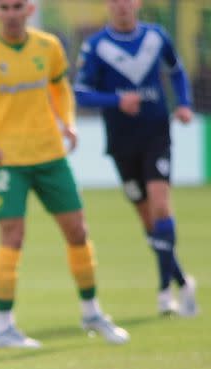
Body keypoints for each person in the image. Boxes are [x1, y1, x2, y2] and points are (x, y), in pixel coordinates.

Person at [0, 0, 130, 349]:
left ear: (29, 9)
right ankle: (3, 327)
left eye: (18, 6)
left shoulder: (49, 46)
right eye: (5, 7)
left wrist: (69, 123)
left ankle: (92, 311)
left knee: (78, 230)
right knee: (12, 237)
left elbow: (61, 89)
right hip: (7, 161)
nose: (12, 13)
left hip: (50, 156)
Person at [74, 0, 197, 316]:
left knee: (160, 205)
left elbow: (177, 70)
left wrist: (183, 104)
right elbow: (80, 91)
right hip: (121, 142)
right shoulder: (97, 46)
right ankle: (183, 282)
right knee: (148, 220)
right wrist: (116, 100)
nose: (122, 6)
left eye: (127, 0)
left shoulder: (157, 37)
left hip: (157, 134)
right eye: (115, 1)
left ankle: (163, 292)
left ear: (137, 3)